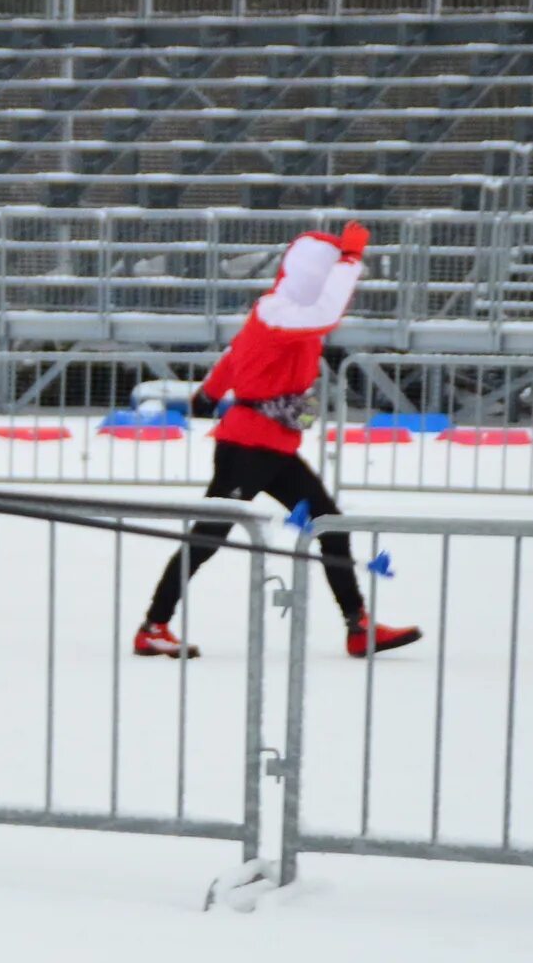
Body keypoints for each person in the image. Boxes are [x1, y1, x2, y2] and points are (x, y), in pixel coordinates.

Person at [134, 223, 417, 661]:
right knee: (209, 537)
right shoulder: (280, 311)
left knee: (328, 522)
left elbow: (236, 355)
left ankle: (358, 626)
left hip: (275, 446)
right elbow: (326, 314)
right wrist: (351, 261)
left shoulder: (285, 318)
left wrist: (208, 394)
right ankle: (153, 625)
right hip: (247, 446)